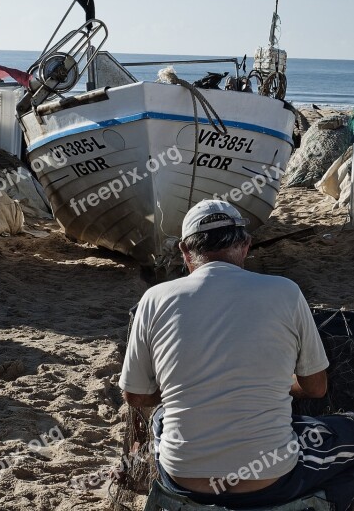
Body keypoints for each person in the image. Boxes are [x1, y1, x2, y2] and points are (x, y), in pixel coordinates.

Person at [119, 199, 354, 511]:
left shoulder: (154, 299)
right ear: (245, 245)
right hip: (269, 478)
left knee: (163, 417)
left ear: (186, 253)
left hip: (181, 478)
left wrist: (187, 389)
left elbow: (135, 396)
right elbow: (316, 388)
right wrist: (270, 385)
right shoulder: (285, 291)